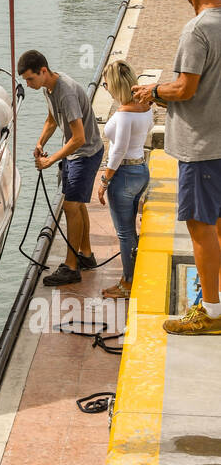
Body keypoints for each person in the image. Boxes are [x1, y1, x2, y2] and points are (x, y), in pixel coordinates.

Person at [133, 0, 221, 334]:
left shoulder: (197, 30)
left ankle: (211, 312)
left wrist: (153, 90)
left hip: (201, 147)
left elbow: (185, 88)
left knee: (200, 225)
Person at [18, 50, 105, 285]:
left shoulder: (65, 92)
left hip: (84, 154)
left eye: (30, 79)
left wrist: (50, 160)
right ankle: (86, 255)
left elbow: (79, 137)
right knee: (77, 205)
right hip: (77, 153)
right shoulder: (49, 88)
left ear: (43, 71)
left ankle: (71, 267)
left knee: (70, 206)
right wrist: (40, 143)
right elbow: (52, 119)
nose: (28, 84)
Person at [96, 60, 152, 299]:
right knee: (132, 229)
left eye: (107, 84)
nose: (105, 88)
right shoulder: (147, 107)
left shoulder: (124, 114)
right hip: (141, 170)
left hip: (124, 175)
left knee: (124, 233)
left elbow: (118, 150)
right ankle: (130, 277)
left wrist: (104, 181)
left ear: (116, 85)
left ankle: (128, 282)